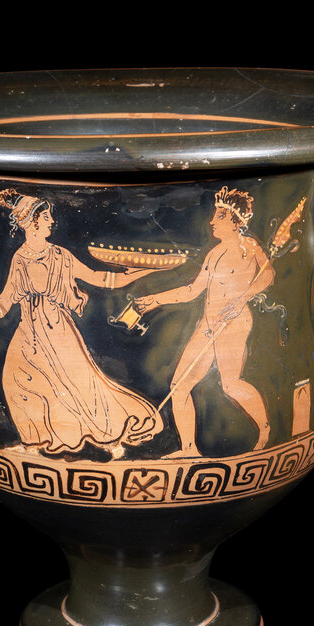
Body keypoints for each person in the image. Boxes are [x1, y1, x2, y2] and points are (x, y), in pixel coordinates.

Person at [0, 188, 161, 459]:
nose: (51, 221)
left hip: (58, 331)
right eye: (46, 217)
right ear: (31, 223)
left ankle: (111, 439)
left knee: (81, 385)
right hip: (28, 331)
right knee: (16, 382)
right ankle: (33, 443)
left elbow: (98, 278)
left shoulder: (59, 255)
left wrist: (135, 273)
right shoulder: (20, 259)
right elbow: (5, 299)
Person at [134, 186, 273, 458]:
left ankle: (266, 430)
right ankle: (189, 449)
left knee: (230, 384)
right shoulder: (214, 254)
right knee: (179, 386)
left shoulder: (250, 247)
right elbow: (192, 290)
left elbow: (267, 275)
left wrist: (242, 298)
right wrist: (156, 300)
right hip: (208, 324)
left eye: (220, 216)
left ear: (235, 221)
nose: (212, 221)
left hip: (233, 322)